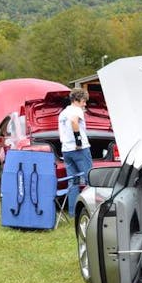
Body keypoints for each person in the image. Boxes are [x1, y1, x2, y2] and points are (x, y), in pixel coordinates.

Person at [57, 88, 92, 217]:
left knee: (73, 182)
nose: (85, 104)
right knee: (90, 179)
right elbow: (74, 122)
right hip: (79, 150)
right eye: (84, 101)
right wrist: (78, 142)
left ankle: (73, 212)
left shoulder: (63, 112)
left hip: (66, 150)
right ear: (78, 100)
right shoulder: (76, 110)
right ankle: (90, 210)